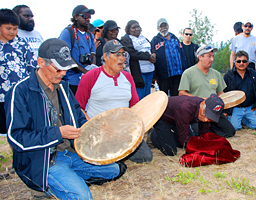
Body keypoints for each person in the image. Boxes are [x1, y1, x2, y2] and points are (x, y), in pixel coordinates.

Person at [5, 38, 126, 199]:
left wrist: (93, 129)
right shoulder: (20, 91)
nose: (63, 74)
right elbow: (17, 138)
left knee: (114, 170)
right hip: (43, 160)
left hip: (70, 152)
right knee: (83, 197)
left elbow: (78, 116)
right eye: (58, 69)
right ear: (41, 62)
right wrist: (58, 133)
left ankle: (67, 178)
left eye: (66, 69)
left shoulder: (63, 87)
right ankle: (44, 185)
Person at [75, 39, 153, 163]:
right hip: (99, 132)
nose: (121, 58)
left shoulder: (127, 77)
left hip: (122, 132)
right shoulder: (91, 76)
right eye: (117, 54)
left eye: (123, 54)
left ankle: (118, 154)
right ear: (105, 56)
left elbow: (134, 107)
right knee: (107, 159)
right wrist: (91, 127)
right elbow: (78, 107)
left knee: (146, 157)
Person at [178, 46, 235, 138]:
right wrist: (201, 100)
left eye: (212, 56)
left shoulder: (216, 74)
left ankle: (207, 130)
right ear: (200, 57)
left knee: (230, 131)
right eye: (209, 56)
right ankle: (199, 129)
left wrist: (224, 108)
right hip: (197, 110)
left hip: (214, 110)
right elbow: (181, 93)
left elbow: (221, 93)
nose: (212, 59)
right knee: (199, 134)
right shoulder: (188, 73)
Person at [150, 94, 224, 156]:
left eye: (210, 118)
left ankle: (168, 136)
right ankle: (154, 134)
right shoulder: (185, 107)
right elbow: (183, 139)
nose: (205, 120)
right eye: (205, 115)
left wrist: (205, 144)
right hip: (163, 118)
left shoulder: (205, 109)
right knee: (171, 151)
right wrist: (199, 149)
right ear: (202, 104)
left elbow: (203, 133)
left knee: (190, 141)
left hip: (178, 120)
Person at [0, 8, 36, 134]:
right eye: (8, 28)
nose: (12, 32)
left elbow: (31, 66)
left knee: (19, 127)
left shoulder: (21, 44)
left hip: (20, 96)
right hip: (1, 97)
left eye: (15, 29)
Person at [59, 5, 96, 95]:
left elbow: (93, 54)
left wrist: (92, 70)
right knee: (75, 107)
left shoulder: (90, 35)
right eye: (84, 16)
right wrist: (85, 72)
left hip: (88, 79)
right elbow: (66, 56)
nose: (87, 19)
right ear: (75, 17)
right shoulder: (67, 32)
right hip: (72, 80)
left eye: (89, 17)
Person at [223, 50, 256, 131]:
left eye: (244, 61)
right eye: (238, 61)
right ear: (235, 62)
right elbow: (224, 93)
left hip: (250, 108)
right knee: (235, 128)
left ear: (248, 62)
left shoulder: (253, 74)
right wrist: (226, 111)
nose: (241, 63)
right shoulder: (228, 75)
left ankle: (243, 121)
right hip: (236, 108)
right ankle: (237, 119)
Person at [151, 18, 187, 96]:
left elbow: (182, 55)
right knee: (164, 97)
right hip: (163, 75)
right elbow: (152, 58)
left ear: (168, 26)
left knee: (176, 97)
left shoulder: (175, 38)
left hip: (178, 73)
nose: (164, 28)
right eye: (161, 26)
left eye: (165, 25)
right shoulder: (155, 40)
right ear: (158, 28)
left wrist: (185, 70)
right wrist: (155, 75)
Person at [121, 20, 156, 99]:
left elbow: (152, 48)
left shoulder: (144, 38)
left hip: (149, 70)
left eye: (138, 27)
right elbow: (132, 53)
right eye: (134, 27)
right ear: (128, 29)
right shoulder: (126, 39)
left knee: (148, 95)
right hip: (138, 72)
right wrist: (148, 57)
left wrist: (154, 54)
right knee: (140, 96)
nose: (137, 29)